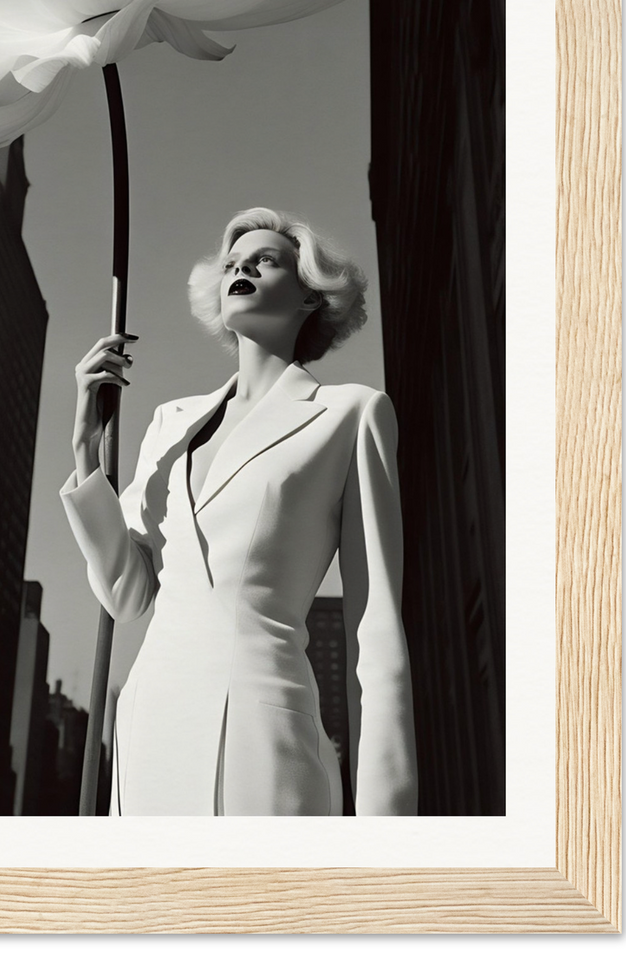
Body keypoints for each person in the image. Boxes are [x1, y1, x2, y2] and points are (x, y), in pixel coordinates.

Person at [61, 208, 416, 816]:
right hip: (148, 733)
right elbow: (128, 596)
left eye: (265, 260)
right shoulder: (170, 423)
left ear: (310, 296)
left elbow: (375, 631)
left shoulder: (352, 414)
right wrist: (86, 453)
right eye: (231, 264)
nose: (242, 269)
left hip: (264, 740)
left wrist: (387, 831)